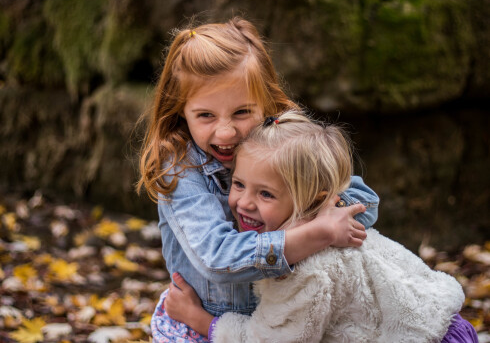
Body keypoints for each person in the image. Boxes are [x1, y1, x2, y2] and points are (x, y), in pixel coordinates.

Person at [137, 17, 380, 342]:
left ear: (266, 103)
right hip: (202, 325)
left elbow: (365, 204)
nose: (226, 132)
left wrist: (314, 216)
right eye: (205, 115)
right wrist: (313, 234)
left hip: (278, 323)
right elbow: (217, 258)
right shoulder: (181, 168)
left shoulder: (283, 147)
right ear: (181, 110)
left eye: (241, 113)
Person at [165, 111, 478, 343]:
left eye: (266, 194)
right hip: (440, 321)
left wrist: (201, 320)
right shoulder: (334, 221)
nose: (244, 203)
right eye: (238, 184)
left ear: (313, 200)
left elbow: (271, 340)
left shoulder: (306, 268)